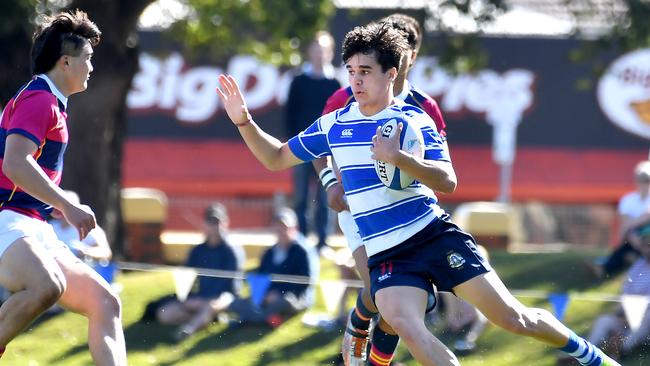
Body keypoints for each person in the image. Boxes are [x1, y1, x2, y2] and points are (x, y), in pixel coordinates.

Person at [216, 22, 620, 365]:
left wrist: (400, 159)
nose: (356, 80)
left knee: (513, 318)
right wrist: (244, 121)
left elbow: (447, 181)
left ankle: (591, 356)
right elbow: (275, 158)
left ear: (391, 73)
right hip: (387, 254)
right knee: (409, 328)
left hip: (433, 236)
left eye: (366, 71)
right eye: (351, 70)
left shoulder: (413, 119)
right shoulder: (333, 124)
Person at [313, 13, 448, 365]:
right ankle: (358, 323)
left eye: (406, 46)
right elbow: (316, 149)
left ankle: (375, 362)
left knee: (399, 305)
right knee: (376, 292)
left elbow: (438, 164)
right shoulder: (346, 96)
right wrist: (330, 184)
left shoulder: (425, 106)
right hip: (360, 211)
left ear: (411, 56)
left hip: (408, 215)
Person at [0, 10, 126, 364]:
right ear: (65, 61)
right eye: (87, 59)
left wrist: (52, 204)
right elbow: (15, 163)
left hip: (32, 225)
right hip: (7, 221)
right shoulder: (40, 99)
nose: (91, 67)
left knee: (105, 302)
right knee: (47, 286)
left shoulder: (52, 102)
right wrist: (67, 206)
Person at [285, 31, 341, 251]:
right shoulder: (298, 81)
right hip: (300, 149)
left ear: (330, 53)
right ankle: (301, 238)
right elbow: (289, 114)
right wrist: (292, 145)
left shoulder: (335, 83)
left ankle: (322, 241)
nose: (319, 54)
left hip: (326, 151)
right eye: (316, 49)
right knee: (300, 196)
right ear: (309, 52)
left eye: (323, 50)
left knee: (326, 193)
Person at [156, 202, 244, 340]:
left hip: (225, 298)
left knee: (212, 304)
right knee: (165, 314)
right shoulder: (198, 250)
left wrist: (205, 300)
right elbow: (188, 278)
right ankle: (208, 318)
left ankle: (189, 329)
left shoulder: (231, 251)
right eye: (211, 222)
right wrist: (188, 298)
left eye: (218, 222)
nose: (215, 227)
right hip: (200, 298)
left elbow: (230, 287)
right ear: (205, 224)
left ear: (225, 223)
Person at [227, 207, 318, 328]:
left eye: (284, 227)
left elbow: (305, 282)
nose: (280, 230)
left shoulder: (301, 252)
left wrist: (279, 293)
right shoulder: (269, 252)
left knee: (285, 302)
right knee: (235, 304)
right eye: (277, 226)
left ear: (294, 229)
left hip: (294, 298)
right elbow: (261, 276)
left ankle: (250, 319)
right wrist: (264, 295)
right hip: (268, 298)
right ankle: (267, 318)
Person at [590, 161, 650, 279]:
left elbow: (632, 222)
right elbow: (626, 223)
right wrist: (633, 237)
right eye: (641, 179)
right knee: (626, 248)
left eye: (647, 180)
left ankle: (632, 258)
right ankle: (610, 266)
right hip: (633, 239)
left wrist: (630, 226)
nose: (644, 183)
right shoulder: (628, 200)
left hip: (645, 238)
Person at [584, 256, 650, 360]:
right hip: (628, 315)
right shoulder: (639, 264)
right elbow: (625, 292)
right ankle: (586, 351)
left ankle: (620, 349)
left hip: (645, 322)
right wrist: (621, 315)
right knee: (604, 320)